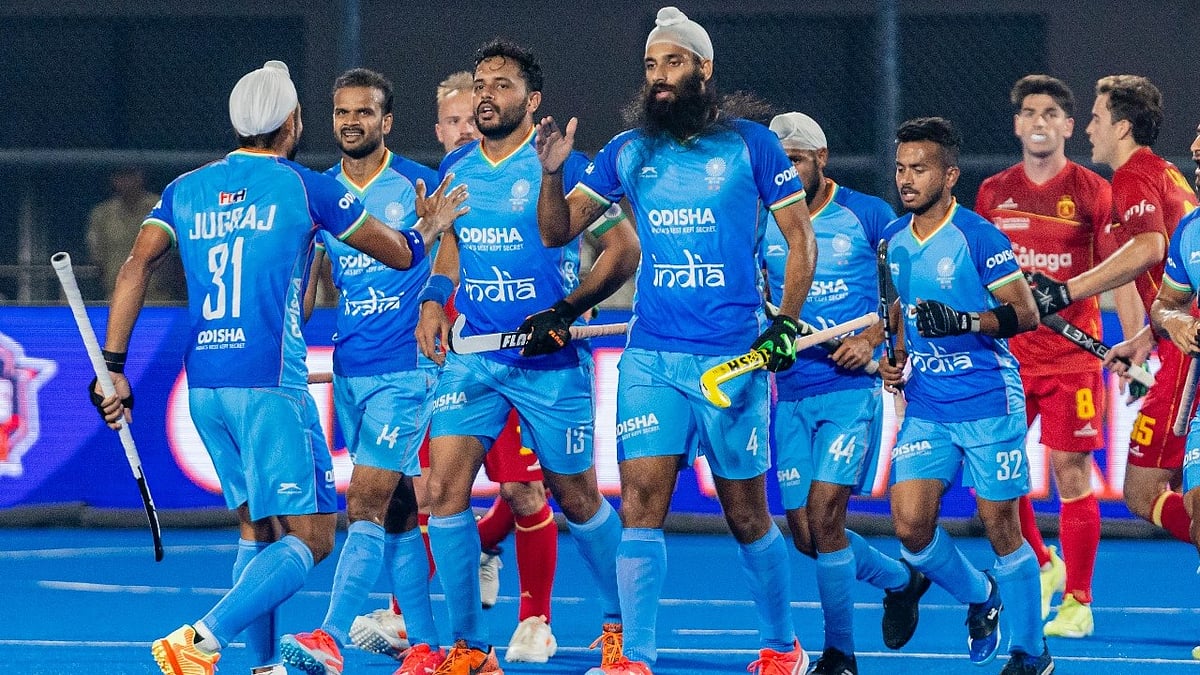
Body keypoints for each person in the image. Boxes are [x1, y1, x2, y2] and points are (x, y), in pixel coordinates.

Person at [88, 60, 467, 675]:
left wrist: (113, 368)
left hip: (205, 385)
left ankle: (263, 666)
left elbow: (135, 267)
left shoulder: (185, 187)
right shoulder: (302, 185)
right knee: (313, 538)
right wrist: (430, 227)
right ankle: (202, 640)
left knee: (256, 530)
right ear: (292, 120)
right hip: (271, 384)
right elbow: (400, 254)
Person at [534, 8, 818, 674]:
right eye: (652, 65)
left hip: (733, 359)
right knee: (639, 504)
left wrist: (785, 322)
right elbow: (555, 231)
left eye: (674, 62)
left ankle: (783, 646)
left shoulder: (753, 145)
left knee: (746, 513)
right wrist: (551, 173)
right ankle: (634, 656)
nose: (661, 77)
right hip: (652, 358)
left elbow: (799, 238)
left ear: (704, 69)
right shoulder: (630, 151)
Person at [415, 39, 640, 675]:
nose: (486, 94)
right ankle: (468, 647)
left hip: (549, 365)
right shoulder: (457, 166)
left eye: (502, 84)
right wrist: (435, 303)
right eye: (480, 83)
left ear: (532, 100)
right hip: (475, 357)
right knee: (445, 492)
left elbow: (622, 251)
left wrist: (568, 310)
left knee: (576, 497)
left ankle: (623, 625)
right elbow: (451, 246)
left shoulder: (565, 166)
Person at [351, 69, 564, 666]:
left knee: (524, 487)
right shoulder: (417, 185)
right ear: (439, 128)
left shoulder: (526, 173)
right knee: (424, 494)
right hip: (439, 362)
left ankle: (535, 620)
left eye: (473, 118)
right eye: (452, 120)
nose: (464, 128)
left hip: (511, 356)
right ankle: (406, 619)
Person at [280, 68, 446, 675]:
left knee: (366, 502)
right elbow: (307, 284)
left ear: (387, 121)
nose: (352, 122)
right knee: (399, 509)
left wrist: (437, 305)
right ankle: (427, 648)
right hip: (349, 367)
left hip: (405, 370)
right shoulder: (321, 192)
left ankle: (328, 639)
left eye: (364, 112)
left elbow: (447, 249)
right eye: (342, 112)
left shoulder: (419, 184)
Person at [878, 116, 1052, 675]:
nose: (906, 179)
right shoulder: (891, 241)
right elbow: (898, 310)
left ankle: (1033, 654)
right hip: (927, 403)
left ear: (949, 175)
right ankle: (980, 596)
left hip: (987, 400)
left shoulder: (979, 237)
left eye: (919, 169)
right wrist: (895, 355)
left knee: (1002, 526)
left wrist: (965, 320)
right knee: (909, 526)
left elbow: (1026, 314)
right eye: (901, 168)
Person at [762, 112, 927, 675]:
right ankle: (903, 580)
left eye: (796, 162)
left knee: (826, 514)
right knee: (807, 535)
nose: (785, 173)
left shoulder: (868, 214)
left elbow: (909, 286)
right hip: (791, 392)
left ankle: (841, 654)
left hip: (850, 391)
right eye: (777, 162)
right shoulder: (766, 220)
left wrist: (875, 338)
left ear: (821, 159)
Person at [974, 74, 1124, 637]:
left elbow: (1123, 273)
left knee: (1071, 473)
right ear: (1017, 125)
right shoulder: (993, 193)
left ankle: (1079, 603)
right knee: (995, 476)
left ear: (1067, 125)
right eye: (1029, 113)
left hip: (1074, 359)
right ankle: (1043, 564)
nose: (1039, 121)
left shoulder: (1092, 190)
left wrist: (1129, 345)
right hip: (1007, 359)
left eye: (1051, 113)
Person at [1029, 75, 1199, 550]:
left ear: (1122, 128)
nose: (1088, 129)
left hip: (1190, 355)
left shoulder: (1132, 176)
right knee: (1156, 491)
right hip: (1177, 339)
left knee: (1143, 492)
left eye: (1097, 119)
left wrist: (1065, 292)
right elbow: (1180, 275)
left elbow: (1151, 247)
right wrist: (1144, 340)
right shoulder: (1167, 172)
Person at [1148, 122, 1200, 661]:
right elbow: (1167, 302)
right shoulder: (1191, 232)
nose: (1196, 165)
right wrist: (1176, 322)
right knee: (1197, 505)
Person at [87, 166, 185, 302]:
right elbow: (97, 258)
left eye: (130, 175)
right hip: (115, 298)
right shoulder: (102, 214)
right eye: (120, 176)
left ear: (140, 176)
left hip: (158, 299)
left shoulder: (161, 207)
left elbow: (178, 255)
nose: (126, 181)